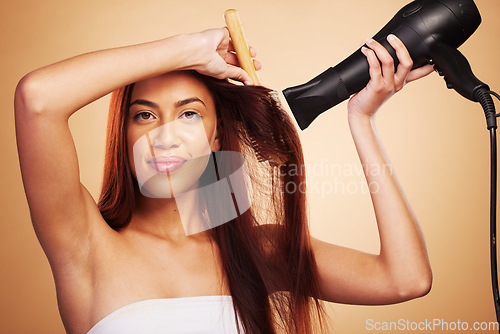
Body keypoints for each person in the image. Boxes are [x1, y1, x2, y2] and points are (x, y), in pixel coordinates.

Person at [15, 27, 434, 334]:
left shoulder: (258, 251)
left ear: (216, 137)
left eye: (189, 114)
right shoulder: (85, 244)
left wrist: (362, 120)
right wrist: (185, 49)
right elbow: (37, 99)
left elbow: (405, 279)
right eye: (144, 115)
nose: (165, 136)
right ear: (123, 134)